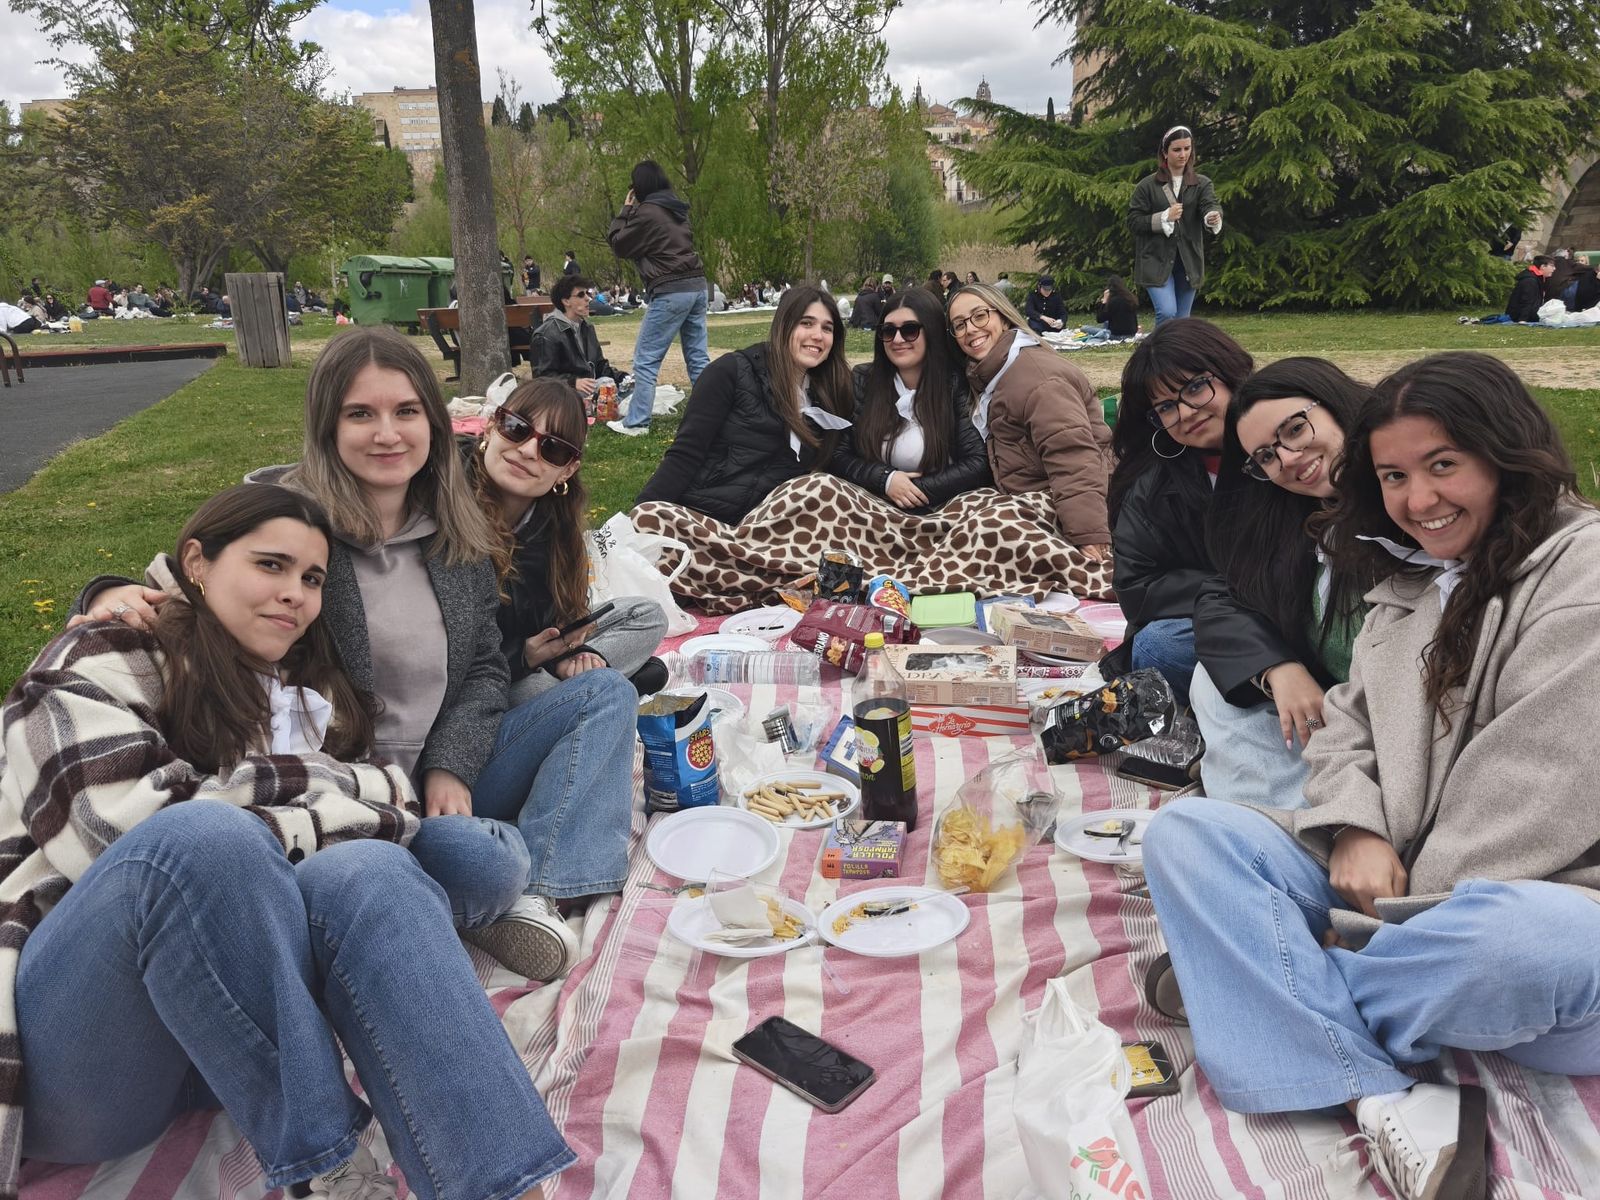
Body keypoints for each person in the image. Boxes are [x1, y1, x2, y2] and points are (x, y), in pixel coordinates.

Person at [19, 483, 573, 1199]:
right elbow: (125, 832)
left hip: (214, 1043)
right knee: (207, 839)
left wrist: (337, 804)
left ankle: (503, 1187)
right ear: (197, 561)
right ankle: (323, 1167)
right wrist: (335, 793)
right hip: (75, 1064)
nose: (295, 595)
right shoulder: (105, 650)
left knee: (374, 869)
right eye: (271, 565)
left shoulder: (293, 685)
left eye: (312, 578)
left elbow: (383, 795)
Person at [1142, 352, 1600, 1200]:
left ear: (1505, 453)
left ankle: (1261, 988)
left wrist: (1378, 917)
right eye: (1394, 476)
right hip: (1393, 867)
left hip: (1538, 897)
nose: (1418, 500)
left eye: (1442, 466)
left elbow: (1538, 794)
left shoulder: (1584, 581)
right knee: (1188, 833)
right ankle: (1343, 1049)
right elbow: (1347, 723)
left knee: (1533, 944)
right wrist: (1354, 827)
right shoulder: (1415, 580)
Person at [79, 328, 618, 983]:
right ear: (327, 426)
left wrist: (453, 763)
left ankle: (516, 893)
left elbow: (482, 669)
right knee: (489, 862)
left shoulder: (460, 534)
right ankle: (444, 902)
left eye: (405, 412)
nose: (387, 433)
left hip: (435, 779)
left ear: (434, 421)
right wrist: (107, 589)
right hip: (341, 799)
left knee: (598, 703)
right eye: (360, 413)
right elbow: (195, 576)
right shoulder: (294, 519)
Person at [1190, 358, 1373, 807]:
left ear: (1333, 403)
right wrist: (1277, 667)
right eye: (1266, 457)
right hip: (1329, 704)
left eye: (1295, 429)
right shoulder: (1292, 514)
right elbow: (1225, 591)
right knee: (1210, 675)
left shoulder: (1401, 502)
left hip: (1394, 728)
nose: (1289, 461)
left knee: (1167, 647)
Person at [464, 377, 668, 699]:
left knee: (646, 614)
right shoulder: (449, 507)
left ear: (567, 471)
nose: (528, 451)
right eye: (517, 428)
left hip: (531, 661)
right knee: (538, 690)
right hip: (476, 678)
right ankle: (599, 690)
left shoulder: (554, 525)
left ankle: (588, 686)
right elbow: (452, 654)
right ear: (491, 427)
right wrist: (525, 657)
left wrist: (566, 653)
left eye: (553, 449)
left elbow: (549, 621)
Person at [1101, 317, 1254, 703]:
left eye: (1196, 388)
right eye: (1167, 407)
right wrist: (1237, 588)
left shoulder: (1282, 449)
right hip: (1220, 619)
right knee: (1159, 647)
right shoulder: (1152, 484)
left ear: (1229, 372)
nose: (1186, 413)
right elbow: (1136, 589)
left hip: (1296, 614)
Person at [633, 285, 853, 527]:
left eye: (827, 328)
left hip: (767, 529)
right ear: (784, 325)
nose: (818, 336)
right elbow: (685, 455)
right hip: (702, 517)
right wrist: (639, 518)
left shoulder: (827, 393)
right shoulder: (731, 372)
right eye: (807, 323)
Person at [946, 283, 1115, 584]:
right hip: (1033, 500)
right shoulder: (994, 373)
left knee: (986, 526)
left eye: (980, 316)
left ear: (1004, 317)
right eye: (959, 325)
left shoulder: (1038, 379)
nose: (970, 330)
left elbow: (1073, 456)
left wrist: (1089, 535)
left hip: (1069, 506)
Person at [830, 285, 991, 512]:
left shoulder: (954, 383)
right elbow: (839, 454)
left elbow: (977, 462)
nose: (897, 339)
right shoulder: (864, 379)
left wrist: (913, 489)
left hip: (942, 507)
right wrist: (886, 480)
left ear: (933, 332)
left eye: (910, 330)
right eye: (888, 330)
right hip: (872, 504)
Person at [605, 160, 713, 436]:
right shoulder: (677, 209)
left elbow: (619, 243)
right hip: (697, 286)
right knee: (698, 358)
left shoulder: (647, 212)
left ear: (639, 186)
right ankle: (713, 418)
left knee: (646, 359)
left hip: (671, 290)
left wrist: (626, 209)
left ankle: (637, 422)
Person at [1129, 125, 1223, 325]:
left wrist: (1212, 216)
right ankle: (1154, 356)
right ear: (1165, 152)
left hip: (1189, 261)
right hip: (1155, 260)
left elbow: (1210, 205)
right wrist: (1164, 216)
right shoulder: (1147, 186)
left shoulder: (1202, 183)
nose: (1183, 154)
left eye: (1187, 149)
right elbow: (1134, 221)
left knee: (1182, 322)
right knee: (1167, 313)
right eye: (1177, 149)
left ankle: (1174, 356)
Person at [531, 274, 620, 405]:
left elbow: (600, 366)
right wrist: (573, 382)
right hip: (562, 396)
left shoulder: (586, 327)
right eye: (580, 295)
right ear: (566, 301)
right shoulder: (546, 334)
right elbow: (542, 379)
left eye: (587, 294)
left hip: (590, 390)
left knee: (624, 388)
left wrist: (623, 377)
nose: (588, 299)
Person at [1506, 255, 1552, 322]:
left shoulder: (1538, 278)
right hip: (1517, 316)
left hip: (1528, 313)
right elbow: (1526, 301)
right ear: (1543, 267)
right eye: (1552, 266)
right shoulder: (1530, 281)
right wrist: (1522, 320)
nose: (1554, 269)